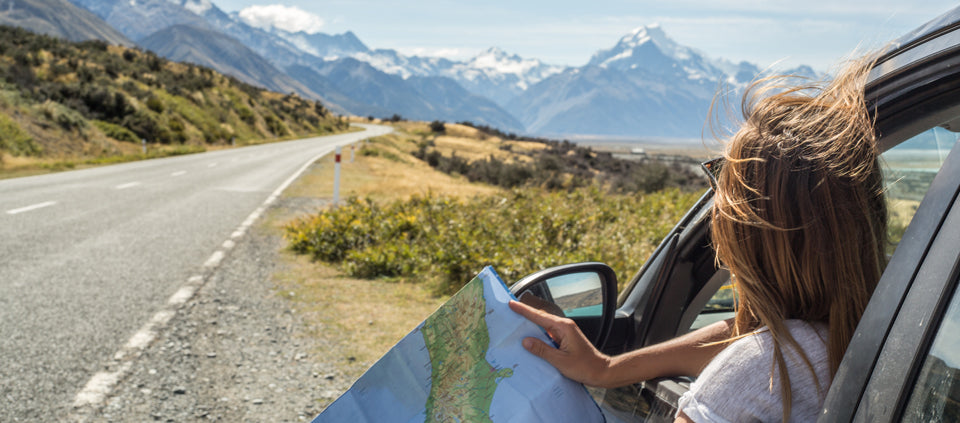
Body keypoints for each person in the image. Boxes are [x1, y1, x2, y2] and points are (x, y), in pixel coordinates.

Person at [510, 56, 888, 423]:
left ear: (749, 233)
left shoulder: (754, 375)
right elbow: (741, 336)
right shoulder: (877, 335)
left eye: (722, 190)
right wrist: (605, 369)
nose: (715, 213)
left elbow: (752, 353)